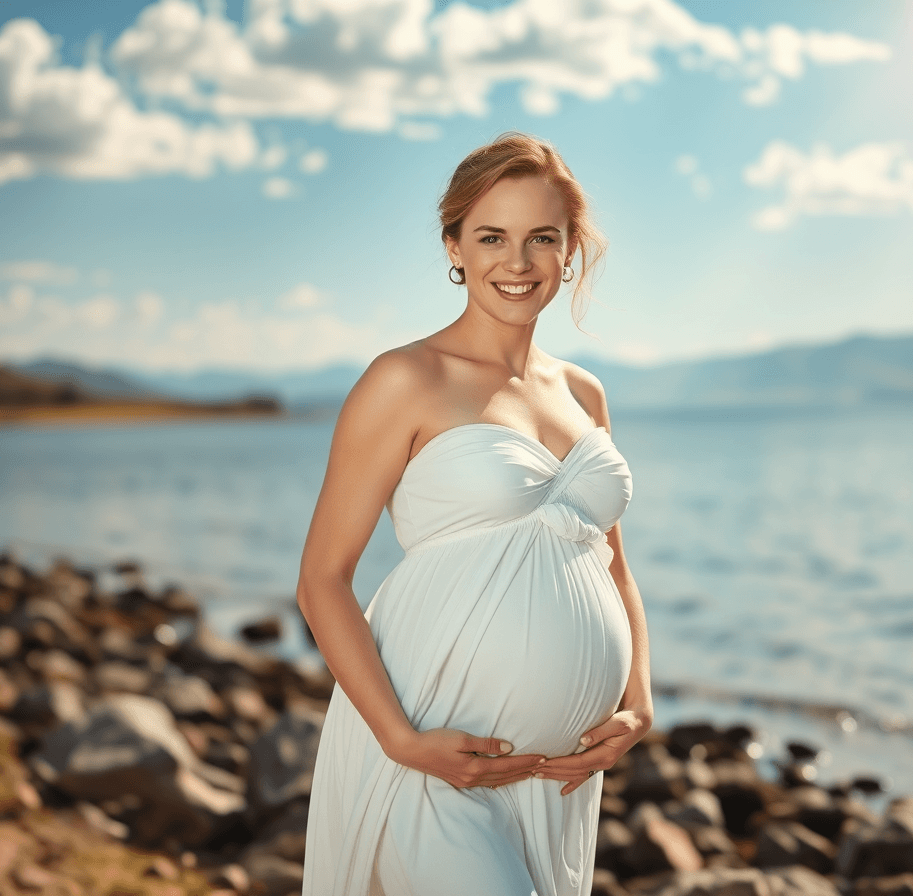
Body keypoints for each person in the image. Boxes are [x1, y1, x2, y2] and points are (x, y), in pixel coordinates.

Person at [298, 131, 653, 896]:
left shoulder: (583, 393)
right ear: (454, 245)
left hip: (557, 780)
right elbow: (322, 580)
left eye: (541, 239)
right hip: (433, 753)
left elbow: (614, 566)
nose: (516, 263)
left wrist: (639, 702)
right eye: (491, 237)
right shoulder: (404, 379)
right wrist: (402, 741)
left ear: (570, 253)